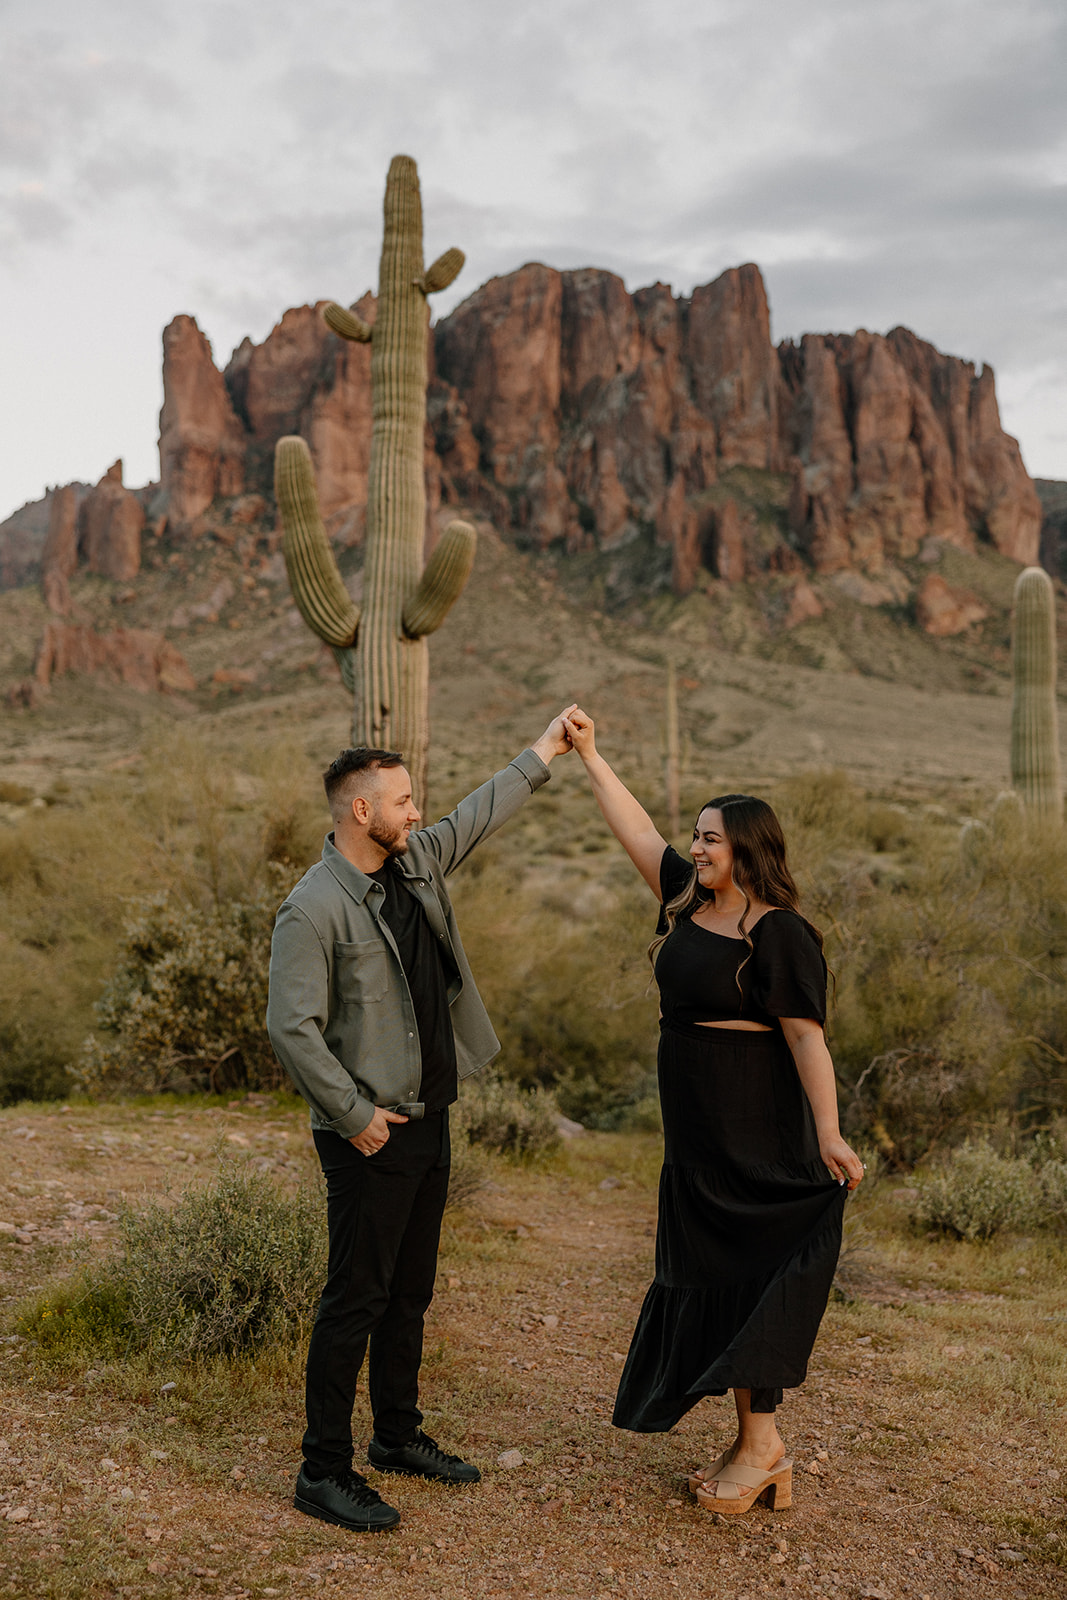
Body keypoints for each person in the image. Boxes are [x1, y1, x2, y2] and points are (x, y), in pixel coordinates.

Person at [266, 710, 576, 1532]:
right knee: (355, 1299)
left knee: (410, 1295)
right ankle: (322, 1471)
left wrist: (544, 749)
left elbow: (477, 812)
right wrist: (353, 1114)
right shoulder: (313, 908)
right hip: (371, 1132)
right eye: (402, 801)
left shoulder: (416, 862)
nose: (416, 812)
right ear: (359, 811)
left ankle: (396, 1438)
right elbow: (289, 1027)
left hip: (430, 1116)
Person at [562, 707, 863, 1517]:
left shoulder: (780, 933)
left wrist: (829, 1133)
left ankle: (762, 1447)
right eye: (693, 837)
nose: (696, 850)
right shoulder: (687, 901)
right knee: (710, 1275)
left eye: (711, 841)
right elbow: (631, 829)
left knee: (756, 1277)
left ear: (749, 851)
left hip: (758, 1133)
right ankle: (749, 1446)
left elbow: (806, 1040)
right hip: (696, 1138)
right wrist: (591, 755)